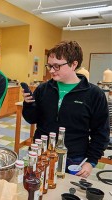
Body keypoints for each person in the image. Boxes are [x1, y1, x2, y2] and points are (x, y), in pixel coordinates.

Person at [22, 40, 110, 178]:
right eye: (49, 66)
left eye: (56, 66)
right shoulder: (43, 89)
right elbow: (32, 119)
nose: (51, 70)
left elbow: (101, 131)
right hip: (42, 153)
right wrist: (28, 104)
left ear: (74, 64)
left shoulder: (94, 94)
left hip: (74, 157)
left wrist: (91, 161)